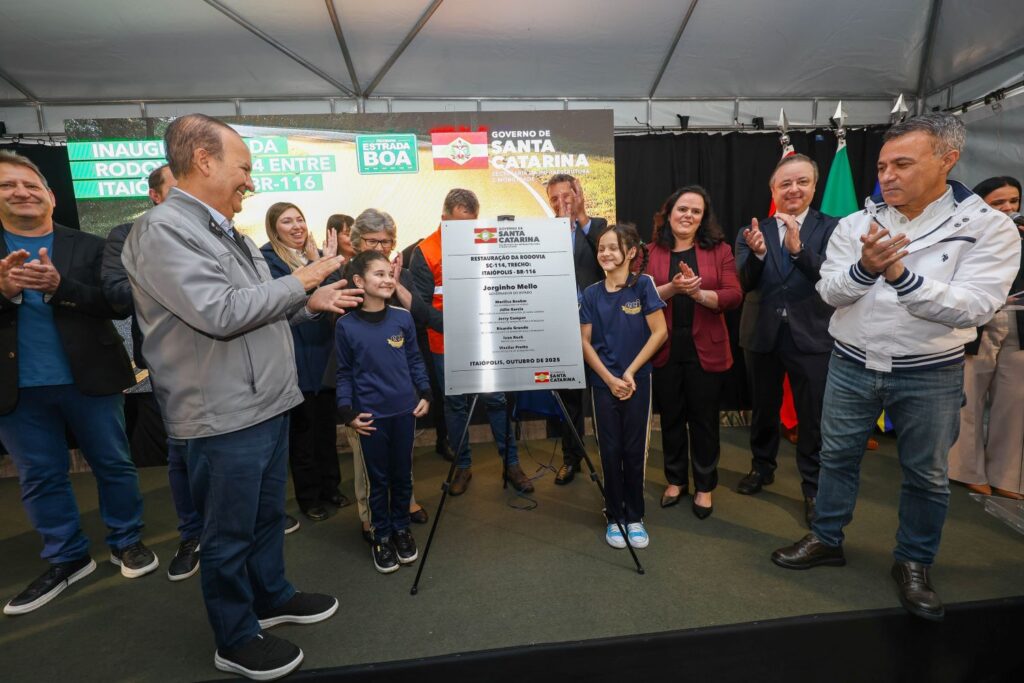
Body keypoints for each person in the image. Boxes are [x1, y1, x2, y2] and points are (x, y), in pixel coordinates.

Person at [122, 114, 358, 680]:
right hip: (223, 414)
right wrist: (302, 281)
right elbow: (220, 313)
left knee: (265, 517)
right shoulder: (161, 231)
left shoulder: (226, 230)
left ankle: (271, 597)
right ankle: (234, 637)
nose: (250, 182)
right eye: (244, 168)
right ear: (204, 160)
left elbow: (257, 307)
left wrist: (307, 303)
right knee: (227, 534)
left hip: (266, 402)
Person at [771, 113, 1021, 622]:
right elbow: (829, 291)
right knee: (836, 457)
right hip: (851, 363)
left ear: (947, 160)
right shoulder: (856, 223)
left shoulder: (987, 227)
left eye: (902, 164)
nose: (887, 176)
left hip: (930, 372)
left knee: (926, 474)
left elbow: (975, 306)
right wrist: (866, 269)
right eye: (883, 166)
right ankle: (826, 537)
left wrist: (902, 277)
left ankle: (913, 561)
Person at [0, 151, 158, 617]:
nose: (21, 192)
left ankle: (126, 541)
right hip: (16, 387)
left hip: (90, 376)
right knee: (40, 475)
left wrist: (58, 287)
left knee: (113, 463)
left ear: (50, 196)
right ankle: (67, 557)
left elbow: (117, 304)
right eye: (7, 185)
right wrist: (4, 292)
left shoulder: (90, 246)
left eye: (31, 185)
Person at [102, 163, 204, 581]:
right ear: (155, 196)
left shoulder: (214, 230)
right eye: (177, 189)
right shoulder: (127, 235)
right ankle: (193, 535)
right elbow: (115, 294)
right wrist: (166, 277)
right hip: (169, 362)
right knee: (183, 451)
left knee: (228, 450)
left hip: (225, 357)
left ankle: (238, 526)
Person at [735, 155, 841, 527]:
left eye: (801, 182)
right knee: (763, 408)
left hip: (812, 335)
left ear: (814, 185)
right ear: (773, 190)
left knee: (812, 416)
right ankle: (761, 467)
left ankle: (812, 487)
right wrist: (758, 255)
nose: (793, 189)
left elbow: (834, 280)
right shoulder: (752, 230)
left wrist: (798, 252)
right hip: (761, 334)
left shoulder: (834, 228)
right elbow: (745, 282)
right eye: (785, 184)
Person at [408, 189, 533, 495]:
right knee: (455, 405)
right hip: (445, 344)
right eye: (458, 225)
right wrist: (456, 326)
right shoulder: (425, 251)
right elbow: (421, 308)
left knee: (497, 400)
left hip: (486, 340)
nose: (466, 232)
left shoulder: (486, 241)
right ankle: (462, 467)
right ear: (443, 218)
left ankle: (511, 464)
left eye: (471, 224)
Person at [327, 208, 435, 543]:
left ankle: (401, 513)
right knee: (369, 467)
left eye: (387, 242)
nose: (381, 246)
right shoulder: (346, 280)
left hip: (399, 397)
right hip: (365, 395)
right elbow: (344, 358)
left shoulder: (397, 279)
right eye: (374, 241)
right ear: (357, 241)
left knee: (400, 464)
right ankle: (372, 520)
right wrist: (347, 407)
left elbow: (416, 323)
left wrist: (395, 282)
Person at [648, 186, 742, 519]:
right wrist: (673, 288)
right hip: (664, 349)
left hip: (706, 351)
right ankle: (675, 481)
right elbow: (639, 298)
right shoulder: (649, 252)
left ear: (703, 218)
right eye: (682, 209)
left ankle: (704, 486)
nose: (688, 215)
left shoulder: (721, 251)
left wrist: (699, 294)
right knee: (671, 419)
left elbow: (733, 295)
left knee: (704, 421)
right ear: (669, 212)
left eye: (696, 211)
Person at [261, 202, 351, 523]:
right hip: (294, 355)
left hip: (324, 352)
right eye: (287, 221)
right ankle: (309, 496)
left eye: (299, 219)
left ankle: (331, 487)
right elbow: (286, 303)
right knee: (303, 433)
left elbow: (339, 292)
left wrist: (324, 262)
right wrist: (315, 267)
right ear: (274, 228)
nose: (297, 226)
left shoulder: (315, 255)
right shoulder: (267, 260)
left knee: (326, 429)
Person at [580, 223, 667, 548]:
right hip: (603, 386)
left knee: (634, 450)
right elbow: (584, 342)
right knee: (610, 450)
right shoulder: (591, 294)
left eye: (612, 247)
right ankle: (614, 515)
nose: (605, 253)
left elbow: (660, 333)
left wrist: (630, 372)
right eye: (601, 248)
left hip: (637, 383)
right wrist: (609, 378)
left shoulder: (643, 285)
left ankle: (634, 517)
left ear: (630, 252)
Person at [948, 176, 1024, 499]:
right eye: (999, 202)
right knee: (969, 396)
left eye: (1014, 201)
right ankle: (965, 469)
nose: (1008, 208)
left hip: (1019, 324)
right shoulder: (967, 234)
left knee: (1015, 402)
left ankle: (1007, 477)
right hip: (977, 326)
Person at [546, 174, 608, 485]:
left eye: (566, 196)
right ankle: (571, 459)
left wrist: (581, 217)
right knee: (569, 400)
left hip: (598, 328)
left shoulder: (598, 227)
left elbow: (607, 258)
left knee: (602, 397)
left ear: (578, 194)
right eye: (554, 199)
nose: (561, 203)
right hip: (563, 329)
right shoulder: (544, 234)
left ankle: (609, 457)